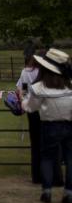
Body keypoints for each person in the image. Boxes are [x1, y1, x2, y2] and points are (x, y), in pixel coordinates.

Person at [22, 48, 72, 203]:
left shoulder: (39, 88)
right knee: (70, 159)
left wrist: (22, 102)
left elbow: (30, 107)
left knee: (47, 158)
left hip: (49, 126)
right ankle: (69, 193)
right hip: (69, 124)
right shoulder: (70, 86)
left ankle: (47, 191)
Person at [17, 52, 62, 185]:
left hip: (34, 109)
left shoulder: (26, 72)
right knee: (53, 144)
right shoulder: (51, 73)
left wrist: (24, 101)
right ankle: (56, 178)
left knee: (36, 144)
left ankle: (37, 176)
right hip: (50, 109)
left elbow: (23, 90)